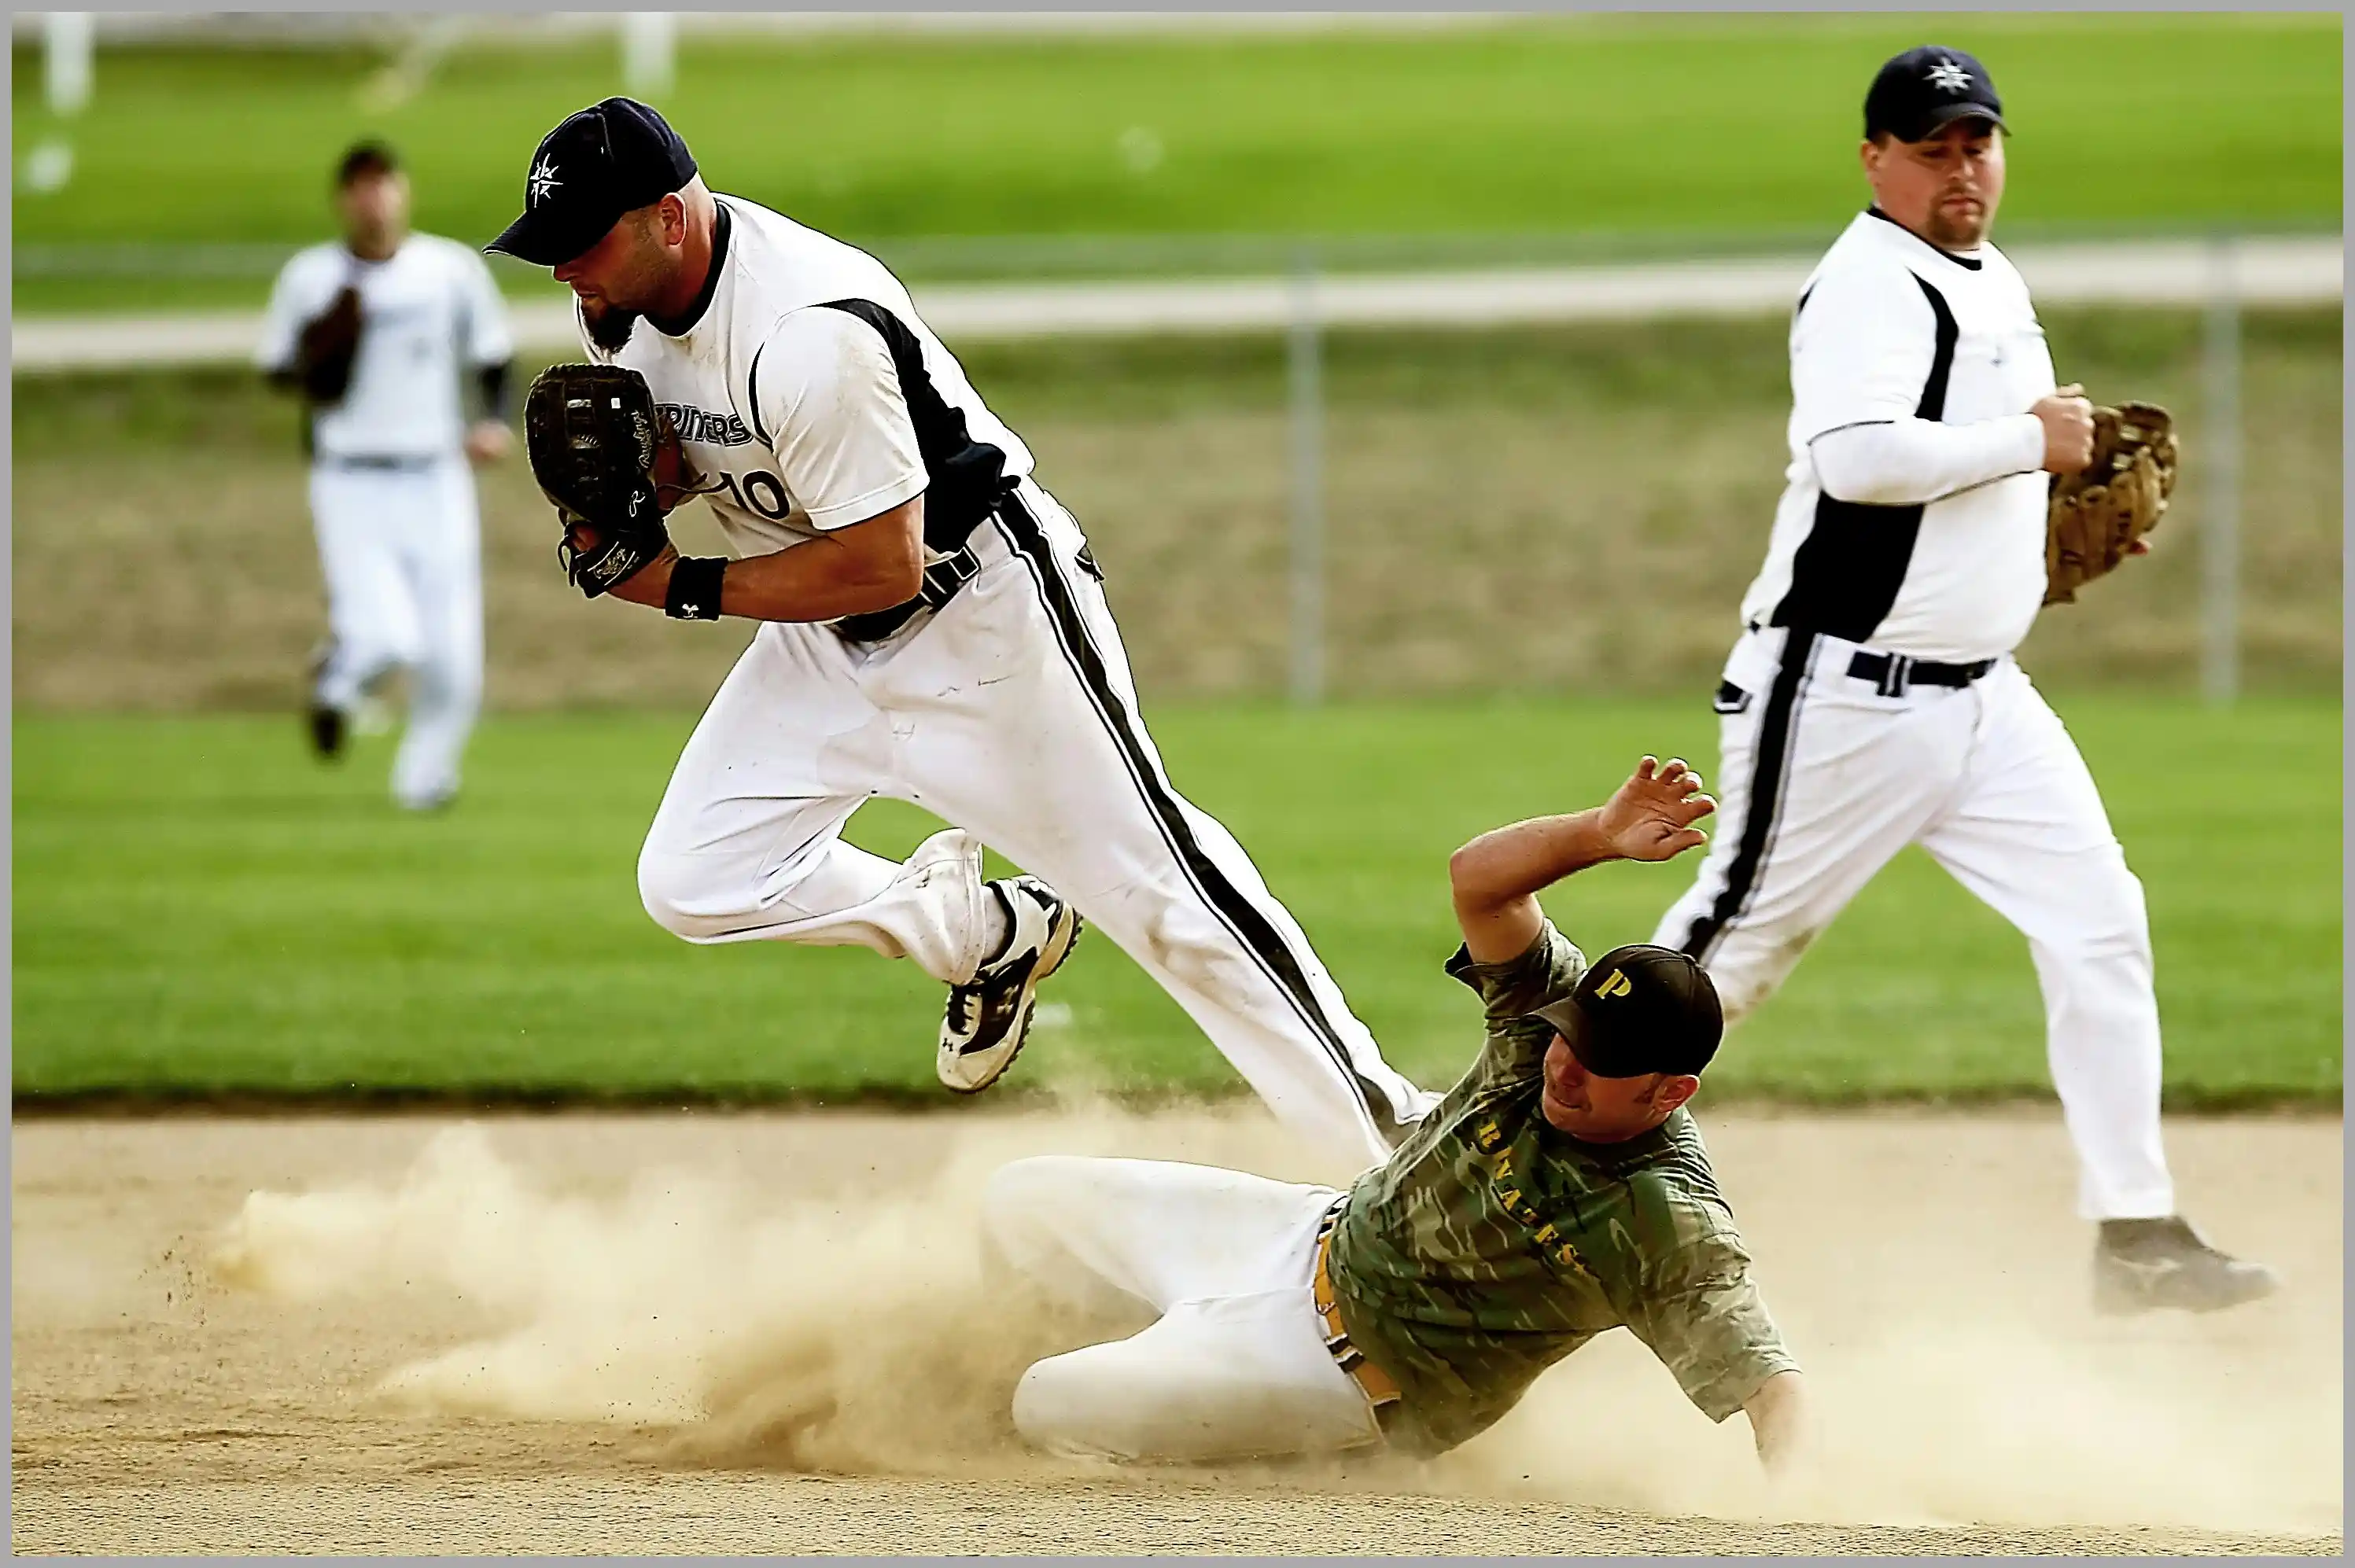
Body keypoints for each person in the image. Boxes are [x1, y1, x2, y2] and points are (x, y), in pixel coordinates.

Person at [482, 99, 1430, 1163]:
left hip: (982, 622)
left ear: (666, 218)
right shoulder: (620, 309)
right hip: (823, 639)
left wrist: (676, 584)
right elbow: (692, 456)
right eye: (547, 251)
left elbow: (882, 558)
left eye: (581, 244)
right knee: (694, 877)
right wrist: (623, 502)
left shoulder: (807, 332)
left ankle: (1397, 1142)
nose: (565, 273)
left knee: (1163, 897)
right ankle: (989, 934)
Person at [1647, 46, 2275, 1313]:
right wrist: (2027, 442)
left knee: (2100, 922)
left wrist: (2028, 541)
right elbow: (1856, 459)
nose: (1959, 168)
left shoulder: (1990, 278)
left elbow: (1970, 486)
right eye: (1931, 147)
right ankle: (1497, 1134)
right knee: (1722, 958)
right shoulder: (1867, 286)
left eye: (1976, 142)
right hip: (1839, 696)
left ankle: (2134, 1231)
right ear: (1874, 158)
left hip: (1981, 694)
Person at [986, 756, 1808, 1474]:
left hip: (1338, 1375)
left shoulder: (1661, 1212)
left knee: (1044, 1399)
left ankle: (1257, 1442)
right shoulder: (1541, 1023)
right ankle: (1164, 1351)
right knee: (1018, 1202)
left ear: (1670, 1092)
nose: (1569, 1066)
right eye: (1573, 1038)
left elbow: (1772, 1386)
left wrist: (1800, 1512)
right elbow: (1479, 879)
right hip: (1300, 1234)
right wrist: (1597, 832)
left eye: (1606, 1064)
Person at [256, 141, 516, 812]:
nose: (373, 199)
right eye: (359, 187)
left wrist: (492, 421)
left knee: (453, 652)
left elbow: (491, 354)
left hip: (436, 474)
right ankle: (337, 682)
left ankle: (423, 783)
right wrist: (322, 355)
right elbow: (279, 369)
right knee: (387, 637)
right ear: (343, 199)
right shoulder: (312, 279)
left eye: (383, 184)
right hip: (351, 478)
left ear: (403, 191)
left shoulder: (447, 271)